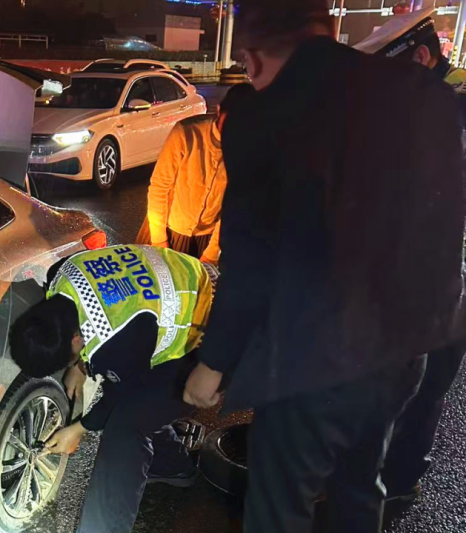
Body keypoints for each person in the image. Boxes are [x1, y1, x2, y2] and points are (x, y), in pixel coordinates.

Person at [182, 1, 465, 533]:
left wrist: (214, 363)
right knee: (360, 486)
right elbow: (445, 221)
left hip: (310, 359)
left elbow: (251, 255)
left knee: (280, 505)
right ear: (328, 26)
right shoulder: (420, 93)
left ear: (251, 57)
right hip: (402, 351)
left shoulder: (260, 116)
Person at [9, 244, 217, 533]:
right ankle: (173, 466)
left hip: (212, 337)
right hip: (183, 279)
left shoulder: (116, 346)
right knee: (139, 404)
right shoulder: (60, 275)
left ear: (75, 340)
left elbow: (123, 393)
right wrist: (79, 366)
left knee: (126, 423)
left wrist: (78, 429)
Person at [355, 7, 466, 502]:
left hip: (438, 288)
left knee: (413, 388)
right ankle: (396, 477)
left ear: (420, 57)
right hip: (429, 285)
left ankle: (391, 482)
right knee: (415, 391)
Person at [136, 83, 256, 264]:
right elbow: (159, 188)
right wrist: (160, 241)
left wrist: (212, 253)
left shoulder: (247, 151)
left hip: (208, 239)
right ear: (219, 110)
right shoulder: (186, 133)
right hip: (168, 230)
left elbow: (233, 206)